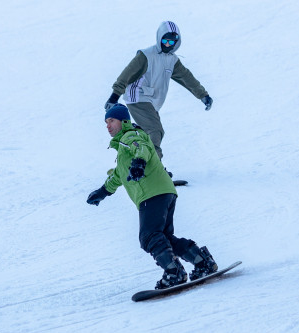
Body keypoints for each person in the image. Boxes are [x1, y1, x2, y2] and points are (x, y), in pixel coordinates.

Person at [87, 104, 219, 289]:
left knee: (149, 237)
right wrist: (102, 192)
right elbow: (118, 176)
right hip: (163, 192)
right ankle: (201, 261)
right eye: (106, 122)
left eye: (112, 121)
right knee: (163, 237)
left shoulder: (130, 136)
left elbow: (142, 149)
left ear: (124, 121)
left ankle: (174, 272)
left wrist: (139, 163)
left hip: (152, 194)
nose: (108, 125)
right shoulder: (123, 149)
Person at [104, 21, 213, 162]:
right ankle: (152, 167)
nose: (168, 44)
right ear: (159, 38)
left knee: (146, 134)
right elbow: (126, 75)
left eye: (172, 42)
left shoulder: (172, 60)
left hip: (151, 102)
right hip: (137, 97)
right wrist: (114, 96)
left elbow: (186, 77)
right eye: (165, 40)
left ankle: (136, 162)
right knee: (155, 130)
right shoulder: (146, 55)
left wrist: (203, 95)